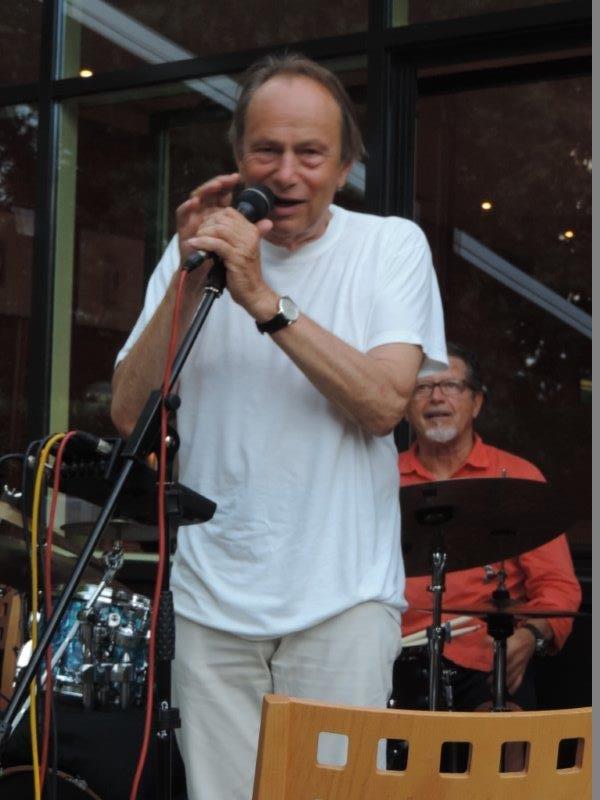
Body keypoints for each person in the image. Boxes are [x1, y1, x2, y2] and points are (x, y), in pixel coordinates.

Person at [111, 53, 447, 799]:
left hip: (342, 600)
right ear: (239, 157)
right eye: (267, 150)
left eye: (310, 153)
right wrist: (191, 276)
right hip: (211, 601)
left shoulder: (390, 245)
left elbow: (384, 405)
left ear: (346, 165)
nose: (287, 173)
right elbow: (131, 412)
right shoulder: (195, 253)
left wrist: (264, 299)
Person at [397, 342, 581, 713]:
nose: (436, 397)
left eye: (450, 385)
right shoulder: (380, 478)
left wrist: (529, 637)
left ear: (477, 402)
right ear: (404, 406)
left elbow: (558, 588)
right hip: (393, 656)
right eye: (422, 387)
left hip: (485, 660)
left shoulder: (517, 479)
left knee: (508, 731)